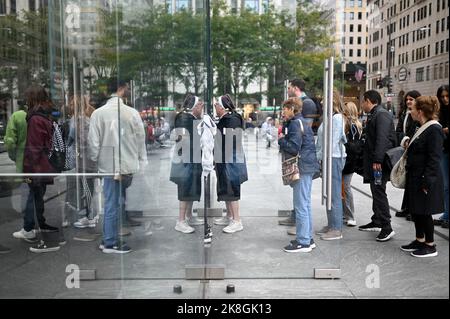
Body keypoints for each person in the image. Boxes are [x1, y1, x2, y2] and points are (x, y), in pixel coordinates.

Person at [88, 78, 147, 254]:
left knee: (111, 202)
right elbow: (140, 139)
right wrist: (141, 160)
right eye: (126, 88)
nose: (128, 90)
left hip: (107, 165)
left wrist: (97, 159)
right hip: (126, 165)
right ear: (121, 89)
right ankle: (110, 241)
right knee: (115, 203)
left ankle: (109, 237)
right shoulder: (131, 113)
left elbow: (93, 143)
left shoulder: (98, 113)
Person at [13, 85, 60, 252]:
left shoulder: (34, 118)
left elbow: (34, 146)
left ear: (32, 98)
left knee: (32, 196)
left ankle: (29, 229)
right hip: (44, 165)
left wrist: (29, 168)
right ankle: (40, 224)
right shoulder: (46, 116)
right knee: (37, 195)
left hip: (36, 166)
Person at [400, 96, 444, 257]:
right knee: (416, 210)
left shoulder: (434, 129)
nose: (410, 111)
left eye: (412, 109)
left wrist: (428, 180)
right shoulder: (421, 126)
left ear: (420, 111)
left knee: (425, 212)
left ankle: (430, 245)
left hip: (425, 177)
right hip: (415, 175)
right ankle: (419, 240)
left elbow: (435, 157)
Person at [279, 98, 319, 252]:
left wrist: (281, 140)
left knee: (301, 205)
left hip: (301, 167)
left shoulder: (296, 123)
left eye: (285, 108)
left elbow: (294, 148)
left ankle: (303, 242)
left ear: (292, 108)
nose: (283, 111)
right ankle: (307, 238)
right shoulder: (301, 122)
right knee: (305, 204)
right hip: (307, 166)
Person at [358, 90, 397, 242]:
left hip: (379, 163)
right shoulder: (377, 114)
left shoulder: (381, 115)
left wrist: (377, 160)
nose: (362, 105)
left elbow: (382, 139)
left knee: (379, 191)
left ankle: (387, 227)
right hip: (376, 161)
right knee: (376, 190)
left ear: (368, 101)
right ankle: (377, 220)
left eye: (363, 101)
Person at [169, 94, 204, 234]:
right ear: (194, 107)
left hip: (190, 158)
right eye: (200, 105)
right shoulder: (185, 118)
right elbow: (184, 141)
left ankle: (188, 216)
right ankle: (181, 221)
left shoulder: (189, 118)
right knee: (185, 188)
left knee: (191, 187)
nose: (201, 108)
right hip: (186, 160)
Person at [213, 94, 248, 233]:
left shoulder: (231, 119)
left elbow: (230, 141)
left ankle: (237, 220)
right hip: (225, 158)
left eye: (216, 105)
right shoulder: (228, 118)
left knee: (232, 188)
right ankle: (229, 216)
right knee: (226, 187)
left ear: (222, 107)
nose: (215, 106)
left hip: (230, 159)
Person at [315, 91, 347, 240]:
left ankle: (336, 228)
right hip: (328, 157)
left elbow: (332, 141)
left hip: (333, 157)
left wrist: (322, 157)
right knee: (329, 193)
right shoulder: (329, 117)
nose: (321, 103)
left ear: (332, 101)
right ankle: (332, 224)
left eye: (324, 100)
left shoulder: (337, 118)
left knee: (333, 193)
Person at [64, 95, 97, 229]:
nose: (70, 106)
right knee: (86, 187)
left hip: (85, 159)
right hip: (85, 159)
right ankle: (88, 215)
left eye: (72, 104)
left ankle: (90, 216)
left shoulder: (80, 120)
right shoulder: (83, 118)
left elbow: (82, 140)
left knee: (87, 188)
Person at [395, 91, 421, 220]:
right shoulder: (404, 113)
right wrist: (404, 140)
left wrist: (409, 140)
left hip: (415, 150)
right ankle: (406, 207)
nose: (409, 101)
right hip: (405, 149)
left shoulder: (418, 114)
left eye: (411, 99)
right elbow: (398, 130)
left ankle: (413, 210)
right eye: (407, 99)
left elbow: (417, 131)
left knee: (414, 180)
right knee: (408, 179)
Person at [341, 101, 363, 227]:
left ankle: (350, 215)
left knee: (346, 187)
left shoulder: (350, 125)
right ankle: (346, 214)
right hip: (352, 159)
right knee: (345, 187)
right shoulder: (357, 124)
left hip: (348, 159)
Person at [433, 85, 449, 229]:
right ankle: (446, 214)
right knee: (446, 185)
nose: (445, 99)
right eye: (442, 96)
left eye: (447, 96)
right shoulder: (441, 111)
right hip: (444, 150)